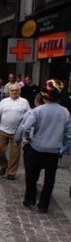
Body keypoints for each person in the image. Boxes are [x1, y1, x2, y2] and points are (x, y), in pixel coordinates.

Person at [15, 79, 71, 213]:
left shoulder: (37, 111)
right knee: (50, 179)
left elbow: (27, 128)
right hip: (54, 151)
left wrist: (28, 141)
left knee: (32, 175)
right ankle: (44, 205)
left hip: (37, 148)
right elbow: (68, 134)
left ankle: (30, 199)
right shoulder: (65, 112)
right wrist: (63, 148)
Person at [0, 83, 29, 180]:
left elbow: (29, 116)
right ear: (9, 92)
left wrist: (26, 130)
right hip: (3, 130)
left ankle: (11, 172)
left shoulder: (24, 102)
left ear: (19, 91)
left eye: (16, 90)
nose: (14, 92)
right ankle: (3, 164)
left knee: (15, 154)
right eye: (12, 90)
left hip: (17, 132)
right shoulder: (4, 101)